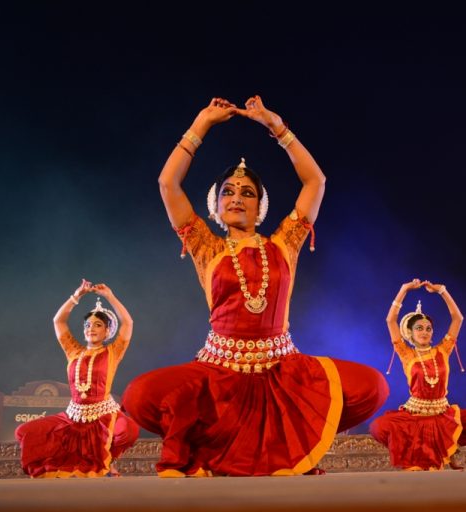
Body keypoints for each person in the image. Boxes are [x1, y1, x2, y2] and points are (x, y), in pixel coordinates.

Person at [122, 95, 388, 477]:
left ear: (260, 206)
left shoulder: (284, 243)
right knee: (139, 395)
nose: (236, 197)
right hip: (220, 375)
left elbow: (317, 181)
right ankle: (220, 438)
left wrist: (276, 126)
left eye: (247, 193)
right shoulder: (205, 246)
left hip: (283, 372)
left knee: (372, 385)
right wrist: (202, 124)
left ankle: (290, 437)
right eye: (228, 191)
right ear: (215, 205)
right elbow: (168, 183)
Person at [369, 279, 466, 471]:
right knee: (378, 427)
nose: (425, 332)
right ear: (410, 334)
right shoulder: (407, 354)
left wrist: (443, 291)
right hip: (415, 415)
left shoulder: (443, 350)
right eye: (419, 328)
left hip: (443, 414)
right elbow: (390, 320)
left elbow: (458, 319)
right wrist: (404, 289)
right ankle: (414, 448)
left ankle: (451, 446)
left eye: (428, 328)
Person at [15, 280, 139, 477]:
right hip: (73, 417)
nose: (91, 328)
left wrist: (110, 296)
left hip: (103, 414)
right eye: (88, 325)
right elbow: (58, 321)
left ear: (108, 331)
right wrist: (76, 296)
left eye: (98, 325)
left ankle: (108, 461)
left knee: (129, 430)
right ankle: (68, 461)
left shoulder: (113, 351)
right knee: (24, 431)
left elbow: (128, 323)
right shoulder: (73, 351)